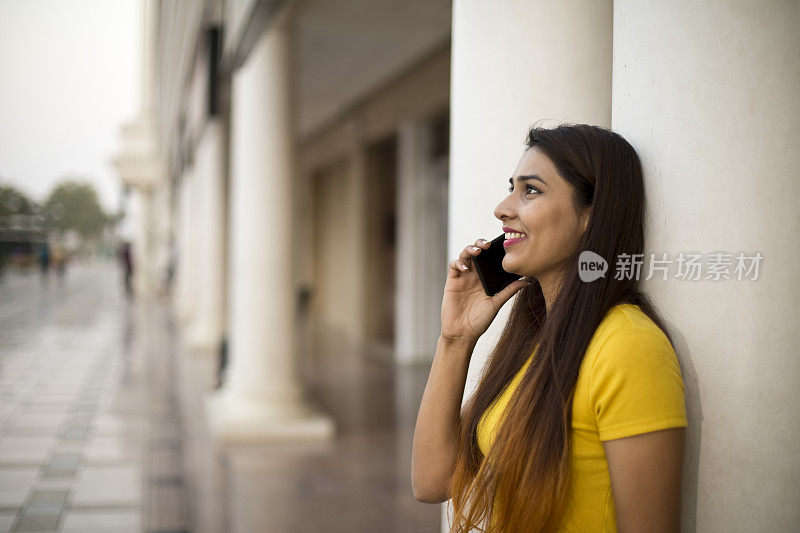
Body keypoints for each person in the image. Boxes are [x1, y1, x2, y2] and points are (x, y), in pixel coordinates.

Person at [412, 123, 687, 532]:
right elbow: (432, 482)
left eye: (531, 190)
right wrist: (455, 339)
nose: (503, 208)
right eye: (512, 187)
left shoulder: (628, 346)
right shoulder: (533, 339)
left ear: (591, 215)